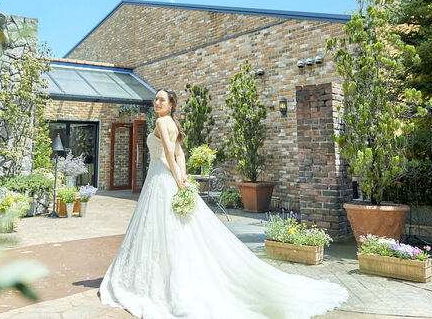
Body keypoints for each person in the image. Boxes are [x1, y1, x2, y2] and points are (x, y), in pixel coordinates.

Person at [99, 88, 348, 318]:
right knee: (173, 226)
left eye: (161, 100)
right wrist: (183, 178)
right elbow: (180, 153)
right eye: (155, 99)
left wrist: (178, 181)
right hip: (167, 176)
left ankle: (159, 278)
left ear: (171, 104)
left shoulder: (161, 122)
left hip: (161, 177)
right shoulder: (174, 123)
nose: (156, 103)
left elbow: (169, 152)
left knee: (158, 225)